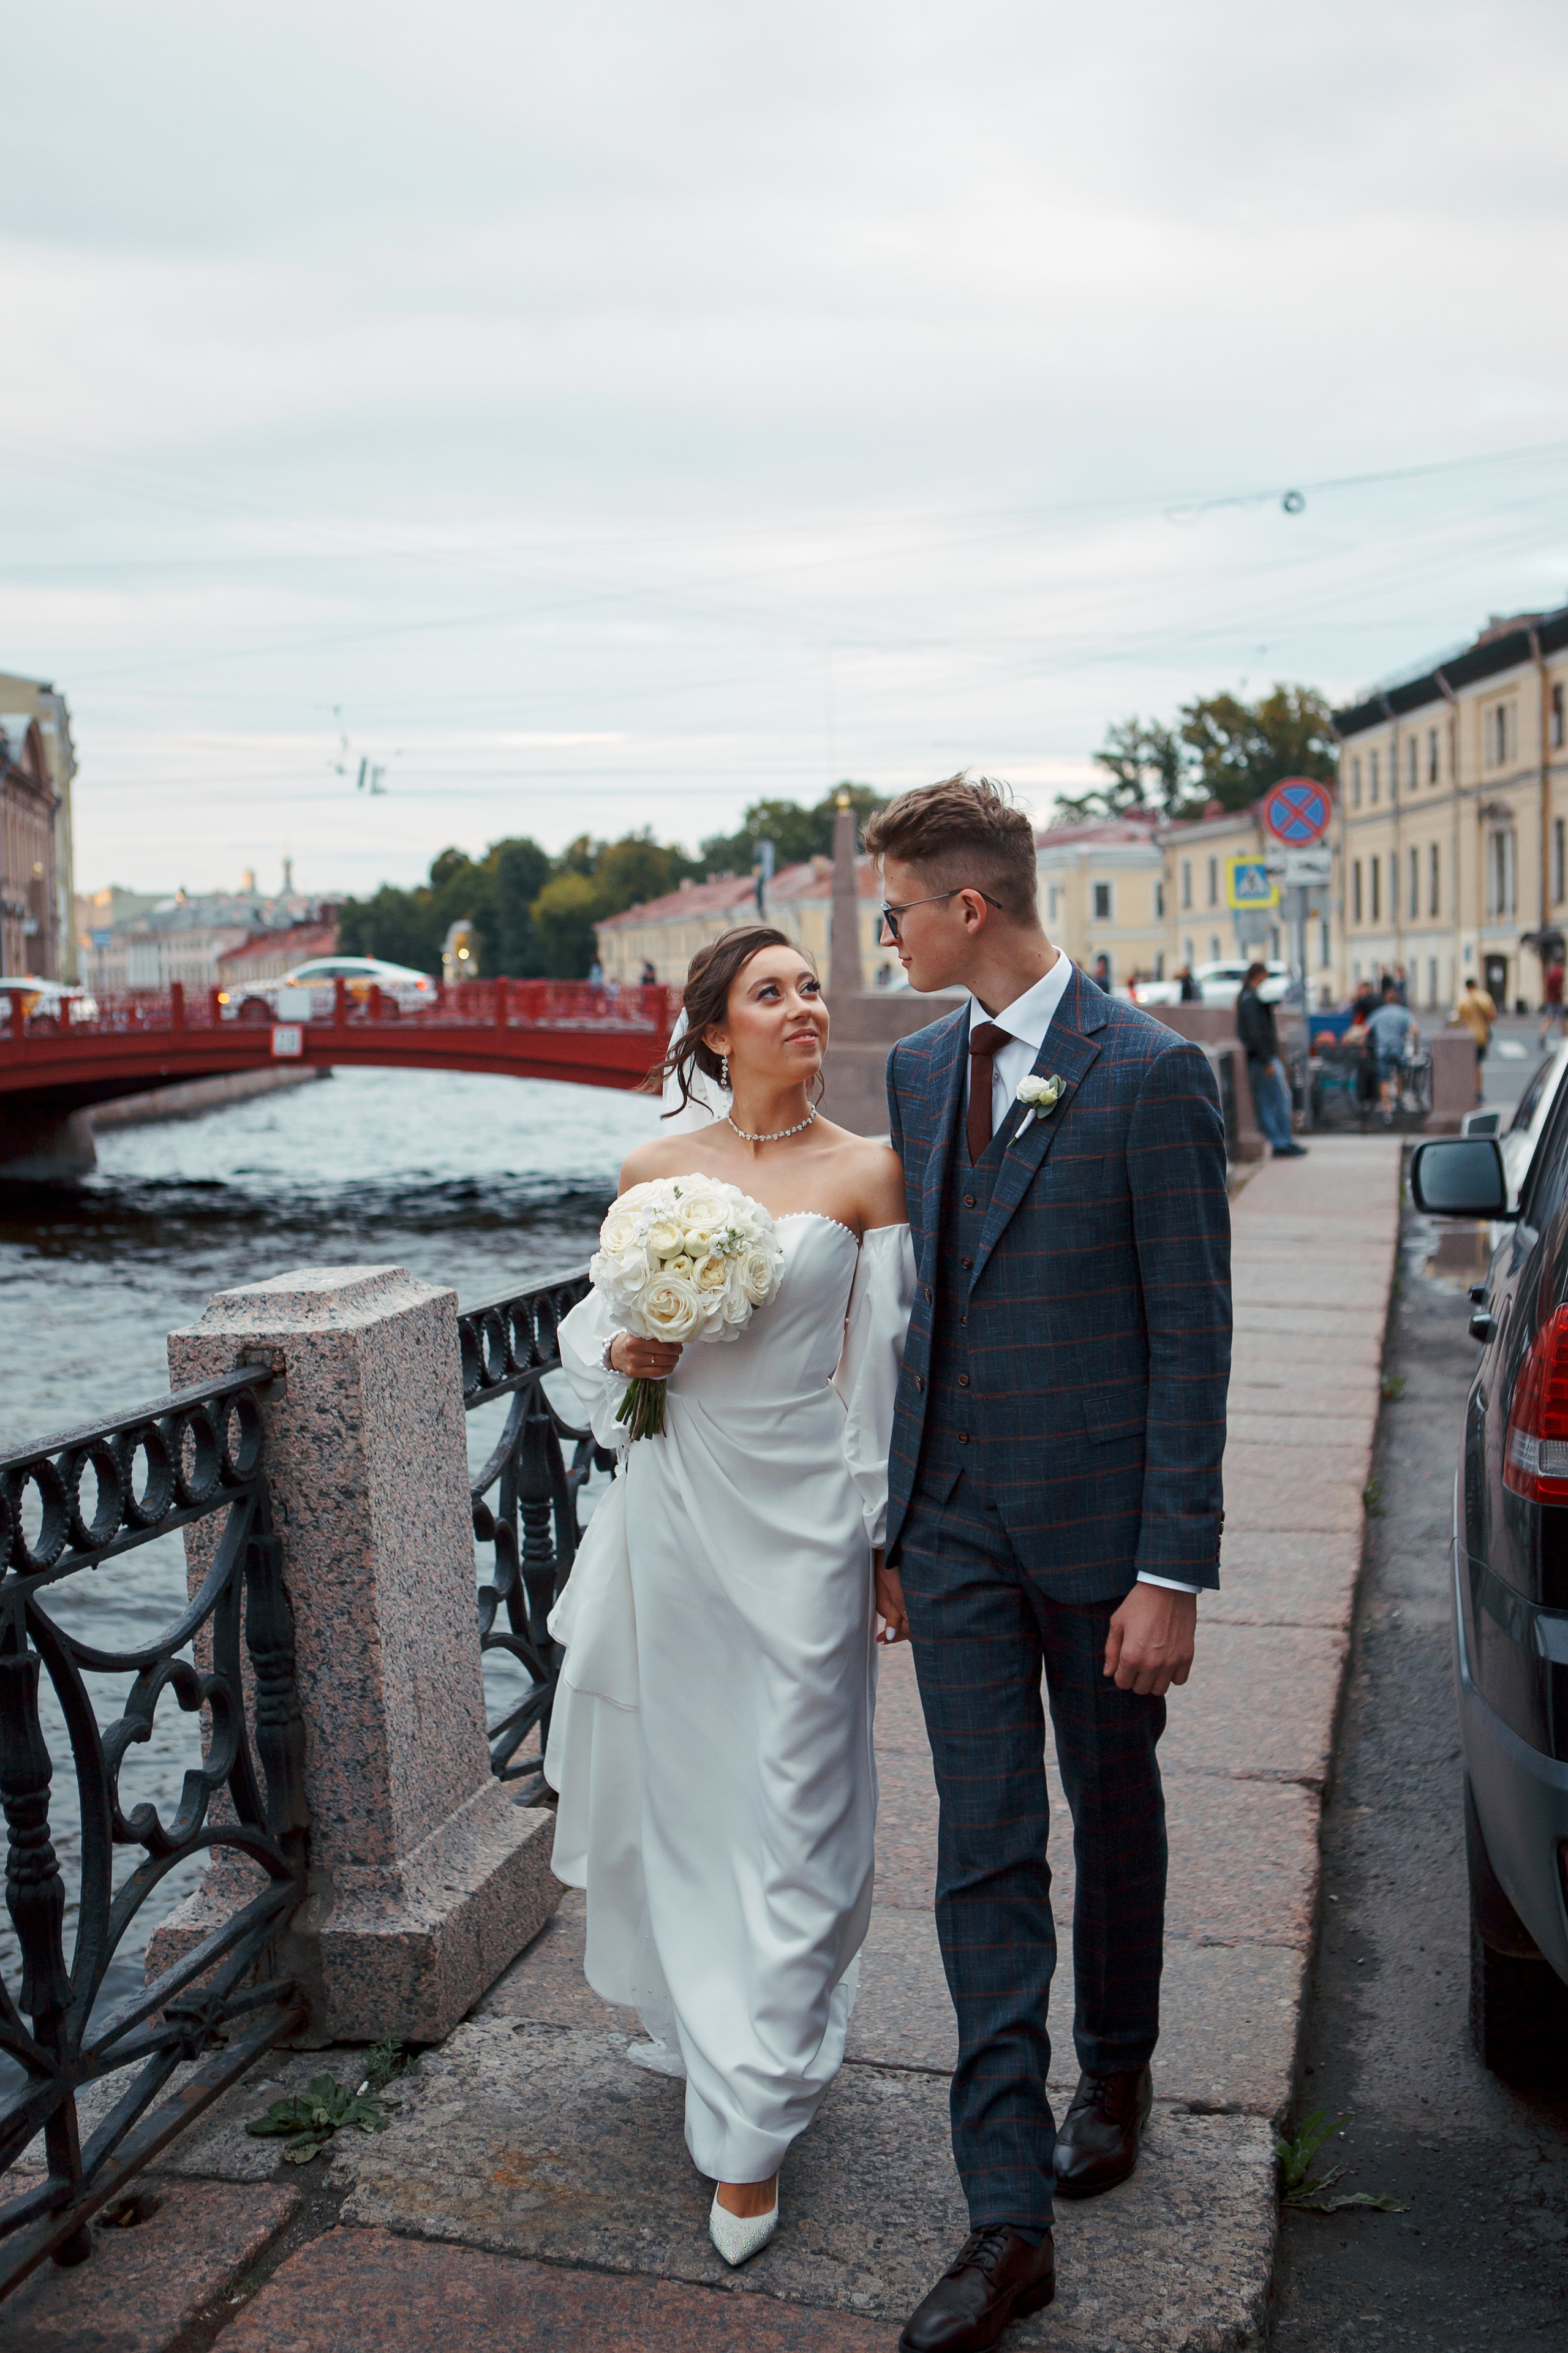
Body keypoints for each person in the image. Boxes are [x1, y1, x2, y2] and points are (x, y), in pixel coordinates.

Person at [862, 776, 1231, 2352]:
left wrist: (1169, 1567)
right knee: (982, 1847)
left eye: (891, 907)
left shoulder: (1146, 1075)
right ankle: (1003, 2221)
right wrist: (891, 1519)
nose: (879, 933)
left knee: (1114, 1801)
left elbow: (1189, 1335)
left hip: (1096, 1534)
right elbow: (914, 1306)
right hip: (946, 1525)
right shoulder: (914, 1066)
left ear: (967, 907)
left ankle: (1121, 2058)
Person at [546, 926, 914, 2271]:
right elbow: (595, 1349)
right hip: (677, 1503)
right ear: (712, 1032)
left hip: (809, 1516)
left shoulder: (870, 1172)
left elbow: (880, 1371)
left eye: (810, 984)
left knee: (805, 1797)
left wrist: (884, 1540)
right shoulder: (653, 1171)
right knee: (693, 1790)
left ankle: (761, 2085)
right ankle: (734, 2079)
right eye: (773, 992)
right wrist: (626, 1347)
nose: (804, 1004)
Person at [1235, 961, 1307, 1160]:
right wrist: (1267, 1060)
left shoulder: (1248, 998)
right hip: (1263, 1060)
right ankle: (1281, 1142)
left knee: (1272, 1101)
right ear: (1258, 975)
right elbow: (1255, 1033)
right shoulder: (1250, 1000)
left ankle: (1281, 1141)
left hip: (1260, 1059)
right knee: (1277, 1101)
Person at [1366, 981, 1418, 1125]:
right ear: (1398, 1000)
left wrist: (1364, 1048)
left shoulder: (1378, 1013)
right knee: (1400, 1074)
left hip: (1382, 1050)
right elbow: (1415, 1030)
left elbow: (1365, 1031)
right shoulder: (1403, 1012)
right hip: (1398, 1049)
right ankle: (1399, 1101)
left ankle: (1387, 1111)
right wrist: (1415, 1046)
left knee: (1384, 1080)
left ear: (1385, 1000)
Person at [1452, 976, 1497, 1103]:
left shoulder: (1463, 1001)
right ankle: (1478, 1091)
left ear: (1467, 987)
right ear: (1476, 985)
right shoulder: (1485, 998)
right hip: (1481, 1037)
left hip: (1466, 1037)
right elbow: (1493, 1017)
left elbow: (1456, 1020)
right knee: (1478, 1065)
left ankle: (1466, 1089)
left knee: (1467, 1064)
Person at [1542, 957, 1566, 1043]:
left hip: (1550, 999)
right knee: (1563, 1019)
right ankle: (1565, 1037)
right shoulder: (1560, 974)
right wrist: (1563, 999)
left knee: (1549, 1018)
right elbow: (1561, 988)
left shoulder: (1551, 974)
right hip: (1558, 1000)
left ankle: (1543, 1035)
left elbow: (1546, 985)